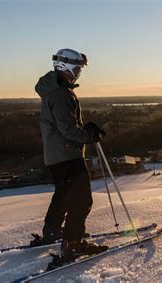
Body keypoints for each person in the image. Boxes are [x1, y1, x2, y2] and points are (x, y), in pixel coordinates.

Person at [34, 48, 108, 261]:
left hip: (56, 154)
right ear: (65, 67)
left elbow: (64, 125)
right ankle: (73, 243)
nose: (78, 72)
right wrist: (89, 135)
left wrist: (84, 130)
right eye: (77, 68)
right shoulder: (60, 94)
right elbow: (68, 130)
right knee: (80, 199)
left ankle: (52, 231)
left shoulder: (53, 89)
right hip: (67, 154)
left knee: (63, 195)